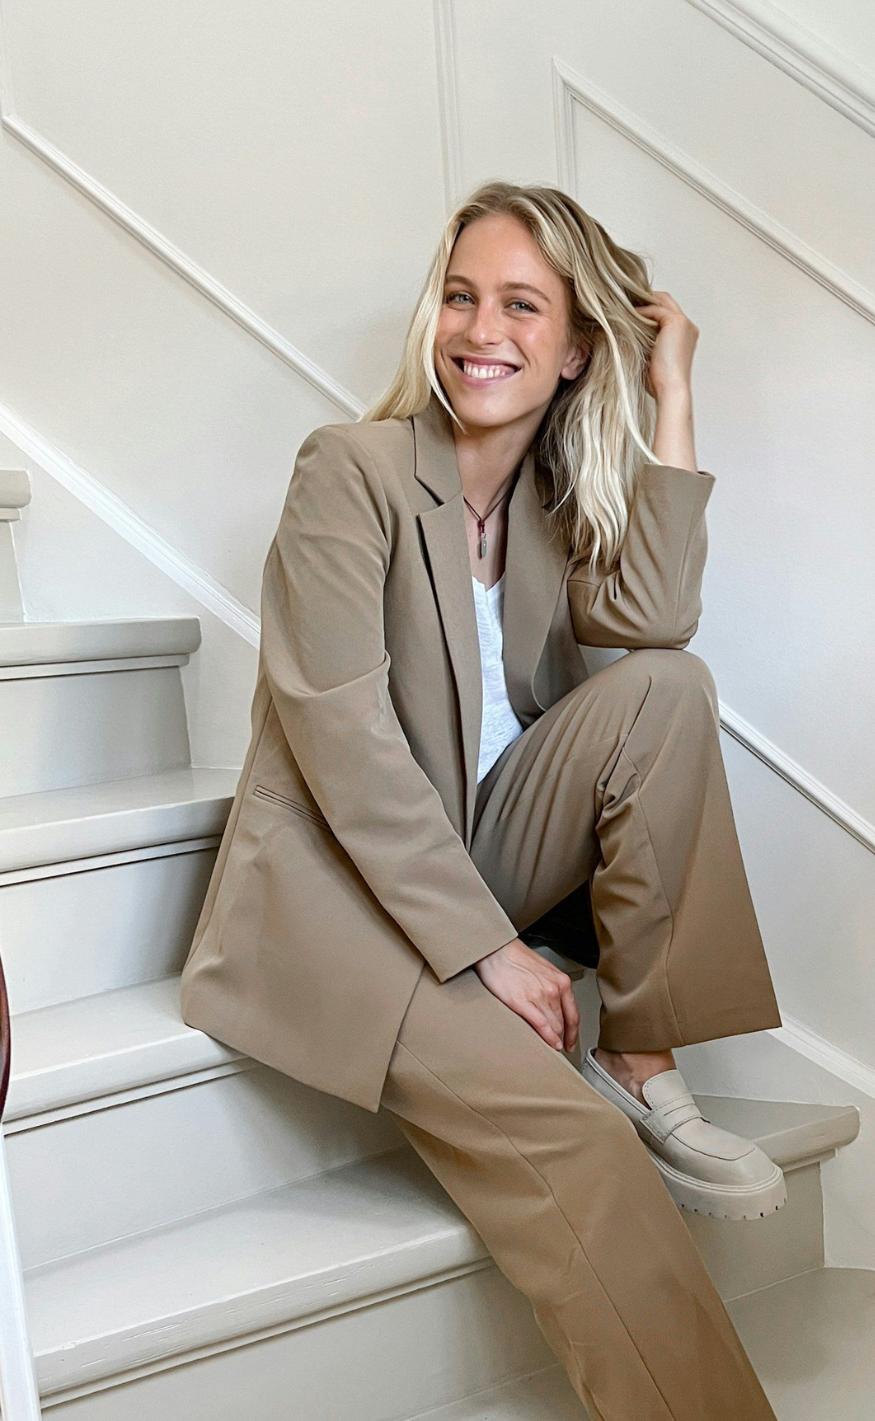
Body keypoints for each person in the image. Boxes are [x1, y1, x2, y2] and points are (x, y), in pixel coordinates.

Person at [181, 180, 784, 1417]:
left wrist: (669, 387)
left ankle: (640, 1051)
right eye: (459, 296)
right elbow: (344, 743)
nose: (477, 329)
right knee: (580, 1149)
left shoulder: (549, 506)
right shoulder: (347, 470)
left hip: (470, 860)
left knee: (667, 688)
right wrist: (489, 947)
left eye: (519, 305)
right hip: (347, 910)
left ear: (574, 351)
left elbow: (657, 617)